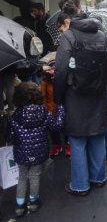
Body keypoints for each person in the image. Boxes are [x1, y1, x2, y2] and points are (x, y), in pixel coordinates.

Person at [53, 0, 107, 196]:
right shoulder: (101, 35)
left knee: (77, 140)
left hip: (75, 95)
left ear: (68, 19)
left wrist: (58, 98)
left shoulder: (68, 36)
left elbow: (60, 71)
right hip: (98, 93)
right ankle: (99, 178)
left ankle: (80, 185)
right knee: (96, 135)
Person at [6, 82, 64, 218]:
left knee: (22, 178)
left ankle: (19, 206)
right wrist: (60, 110)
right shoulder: (44, 112)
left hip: (21, 153)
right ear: (38, 97)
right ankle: (33, 202)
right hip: (39, 152)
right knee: (35, 175)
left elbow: (10, 137)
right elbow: (56, 126)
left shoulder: (15, 116)